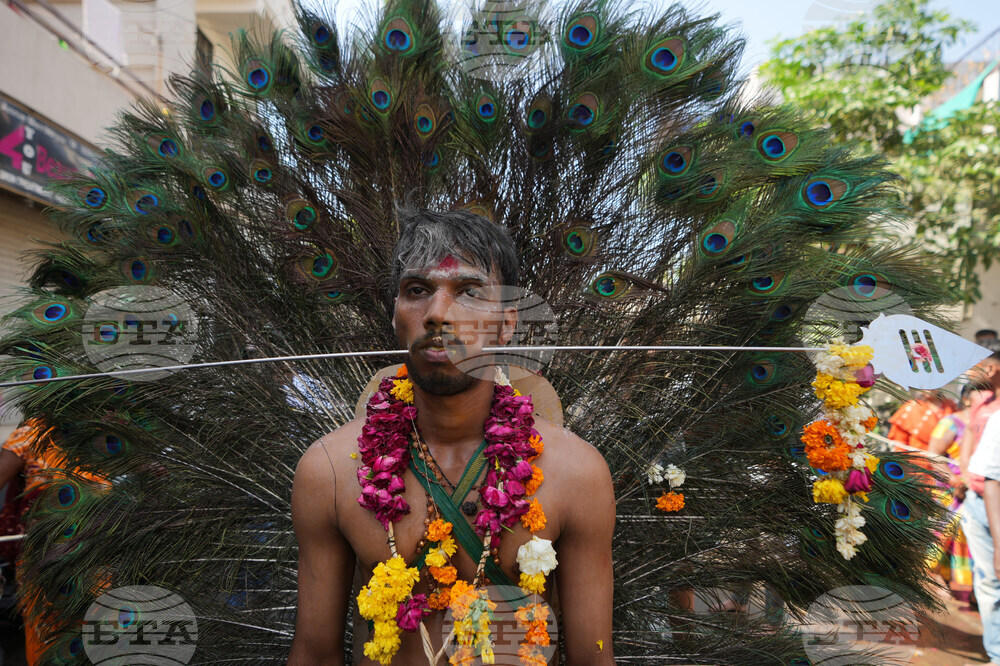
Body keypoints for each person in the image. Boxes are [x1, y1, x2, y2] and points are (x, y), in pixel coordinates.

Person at [287, 210, 616, 665]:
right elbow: (315, 655)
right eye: (417, 291)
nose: (438, 314)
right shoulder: (329, 472)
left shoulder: (576, 474)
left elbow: (593, 659)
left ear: (506, 324)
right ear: (398, 316)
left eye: (469, 292)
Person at [928, 382, 991, 596]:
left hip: (980, 488)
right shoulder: (951, 423)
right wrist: (955, 482)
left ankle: (973, 584)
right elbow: (934, 456)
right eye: (981, 396)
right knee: (949, 532)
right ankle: (935, 575)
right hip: (950, 488)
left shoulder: (989, 422)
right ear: (966, 399)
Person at [959, 343, 1000, 665]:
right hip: (977, 500)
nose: (981, 370)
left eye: (985, 364)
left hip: (994, 496)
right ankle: (997, 652)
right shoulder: (982, 402)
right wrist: (960, 475)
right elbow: (969, 441)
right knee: (988, 581)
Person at [887, 390, 955, 452]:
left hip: (943, 460)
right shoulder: (912, 407)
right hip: (914, 460)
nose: (929, 388)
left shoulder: (950, 407)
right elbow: (900, 439)